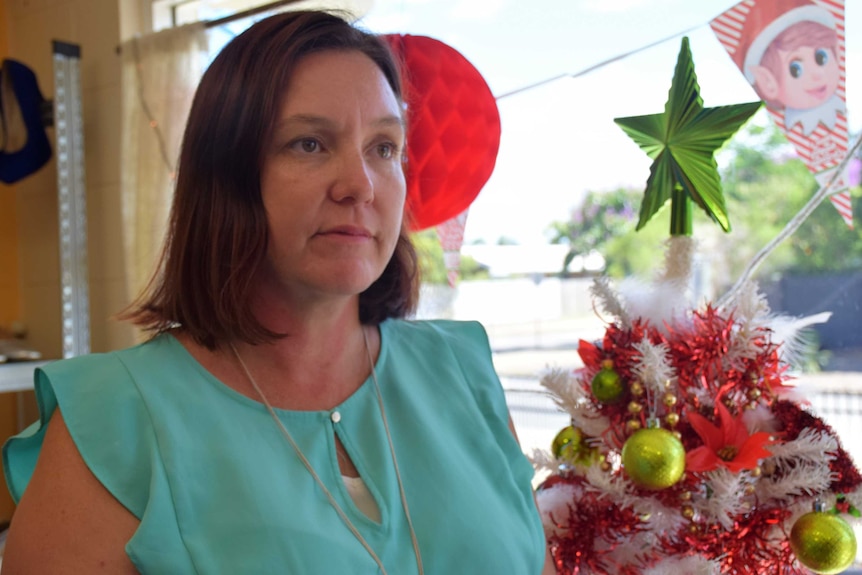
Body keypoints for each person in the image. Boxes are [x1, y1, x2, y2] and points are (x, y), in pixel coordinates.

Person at [2, 10, 554, 574]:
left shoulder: (463, 368)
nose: (359, 184)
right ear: (227, 175)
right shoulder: (111, 421)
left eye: (384, 147)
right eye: (309, 144)